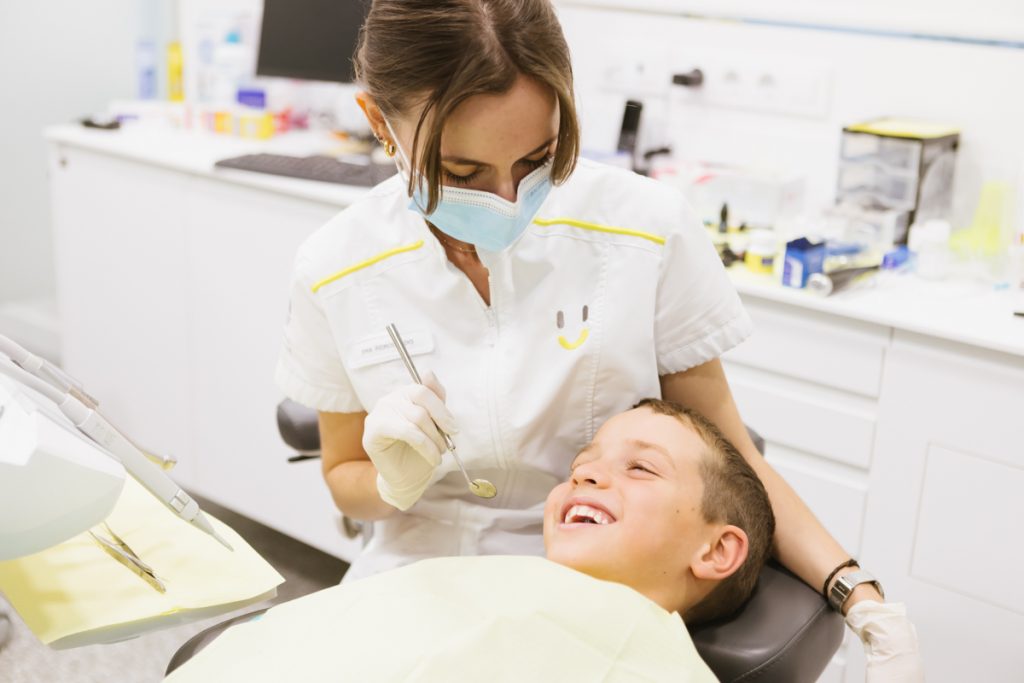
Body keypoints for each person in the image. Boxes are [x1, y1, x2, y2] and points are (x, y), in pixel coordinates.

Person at [274, 1, 922, 678]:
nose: (505, 198)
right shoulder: (336, 266)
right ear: (380, 122)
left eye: (537, 159)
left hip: (599, 595)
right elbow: (343, 479)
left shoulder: (645, 230)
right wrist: (392, 479)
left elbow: (731, 451)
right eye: (463, 173)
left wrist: (858, 593)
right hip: (413, 582)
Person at [165, 401, 775, 682]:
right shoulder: (487, 584)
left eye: (641, 469)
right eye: (582, 465)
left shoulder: (648, 657)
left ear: (716, 551)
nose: (586, 474)